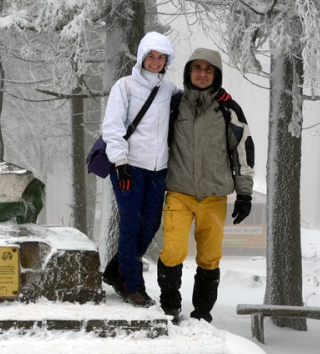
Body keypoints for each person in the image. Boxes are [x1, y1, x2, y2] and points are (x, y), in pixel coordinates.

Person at [157, 47, 255, 322]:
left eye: (208, 69)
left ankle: (202, 314)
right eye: (197, 68)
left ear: (217, 74)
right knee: (173, 250)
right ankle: (169, 306)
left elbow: (243, 151)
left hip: (214, 196)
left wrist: (244, 193)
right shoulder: (174, 105)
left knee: (210, 257)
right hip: (179, 192)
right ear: (189, 72)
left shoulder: (228, 109)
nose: (202, 74)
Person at [99, 31, 177, 307]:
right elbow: (112, 126)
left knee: (151, 224)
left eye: (161, 57)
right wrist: (119, 162)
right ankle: (133, 286)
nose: (155, 62)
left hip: (158, 169)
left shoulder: (169, 90)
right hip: (129, 167)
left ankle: (116, 271)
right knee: (131, 225)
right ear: (142, 57)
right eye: (151, 56)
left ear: (167, 59)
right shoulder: (125, 86)